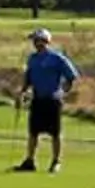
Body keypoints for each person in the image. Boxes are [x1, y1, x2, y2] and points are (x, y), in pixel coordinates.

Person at [16, 26, 78, 174]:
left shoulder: (57, 58)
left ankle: (56, 162)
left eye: (38, 40)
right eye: (35, 41)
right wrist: (22, 93)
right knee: (33, 132)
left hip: (53, 99)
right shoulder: (33, 59)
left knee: (55, 133)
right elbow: (28, 78)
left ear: (45, 41)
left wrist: (63, 92)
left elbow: (71, 76)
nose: (36, 43)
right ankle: (30, 161)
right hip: (37, 99)